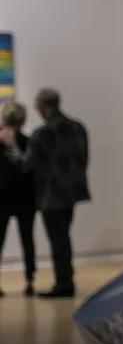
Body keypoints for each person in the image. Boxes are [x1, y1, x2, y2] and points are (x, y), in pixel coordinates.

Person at [0, 88, 89, 298]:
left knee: (57, 240)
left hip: (51, 195)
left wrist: (9, 144)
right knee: (63, 239)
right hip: (72, 193)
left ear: (41, 107)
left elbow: (24, 163)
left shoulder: (43, 133)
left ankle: (64, 284)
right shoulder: (78, 127)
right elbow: (83, 159)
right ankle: (65, 280)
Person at [0, 101, 37, 297]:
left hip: (3, 198)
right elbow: (29, 170)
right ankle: (30, 280)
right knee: (27, 240)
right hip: (26, 199)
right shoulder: (29, 142)